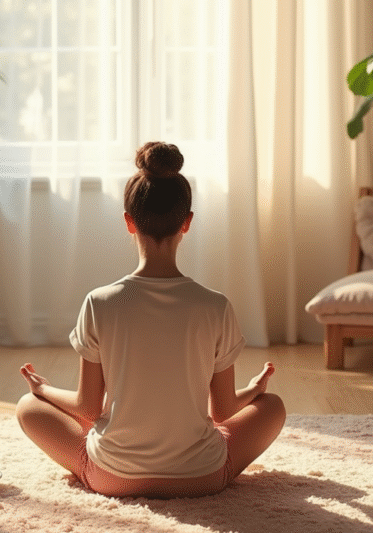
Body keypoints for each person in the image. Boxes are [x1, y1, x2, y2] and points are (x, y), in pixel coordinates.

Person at [17, 141, 286, 498]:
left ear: (129, 222)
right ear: (187, 223)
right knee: (272, 406)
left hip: (112, 478)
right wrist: (253, 391)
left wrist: (43, 390)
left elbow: (88, 407)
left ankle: (106, 453)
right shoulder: (215, 306)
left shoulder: (100, 303)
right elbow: (221, 413)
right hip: (202, 477)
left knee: (27, 407)